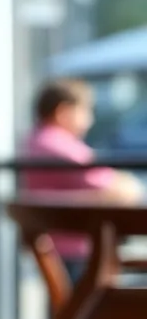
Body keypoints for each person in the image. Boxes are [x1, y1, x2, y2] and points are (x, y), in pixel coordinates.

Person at [22, 78, 144, 282]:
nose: (91, 119)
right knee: (87, 303)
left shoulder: (35, 140)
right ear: (63, 112)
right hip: (74, 244)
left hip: (52, 244)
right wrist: (128, 184)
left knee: (66, 306)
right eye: (86, 111)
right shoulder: (58, 145)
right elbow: (115, 187)